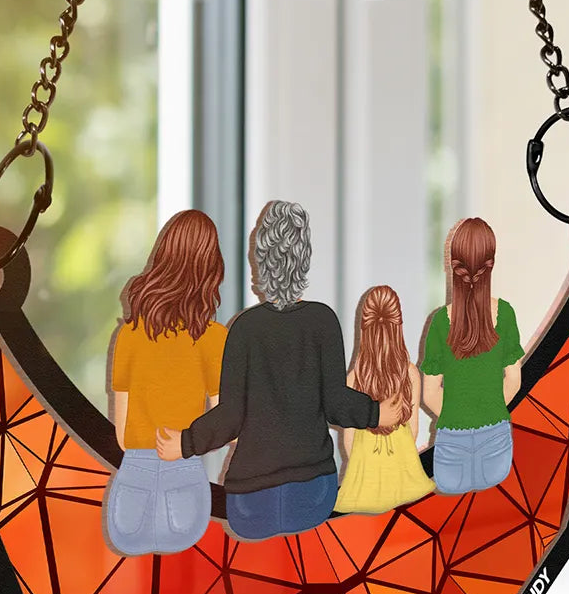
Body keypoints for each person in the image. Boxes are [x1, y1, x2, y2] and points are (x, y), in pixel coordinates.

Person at [156, 200, 400, 541]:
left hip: (249, 501)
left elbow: (230, 416)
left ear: (259, 262)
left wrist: (185, 443)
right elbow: (335, 402)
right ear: (305, 259)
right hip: (314, 493)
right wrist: (375, 413)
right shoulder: (322, 320)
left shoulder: (244, 328)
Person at [105, 209, 227, 555]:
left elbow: (122, 435)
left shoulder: (128, 336)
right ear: (211, 269)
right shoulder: (214, 338)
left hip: (133, 476)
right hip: (185, 475)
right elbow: (223, 427)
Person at [421, 217, 525, 495]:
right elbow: (514, 380)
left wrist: (460, 417)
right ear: (491, 263)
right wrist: (487, 410)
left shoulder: (440, 321)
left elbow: (429, 393)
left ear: (452, 263)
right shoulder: (506, 313)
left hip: (451, 445)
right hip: (497, 446)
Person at [335, 286, 435, 514]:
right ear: (398, 326)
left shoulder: (352, 379)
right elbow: (413, 431)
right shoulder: (410, 373)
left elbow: (348, 442)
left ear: (363, 328)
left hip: (363, 485)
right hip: (403, 480)